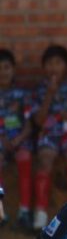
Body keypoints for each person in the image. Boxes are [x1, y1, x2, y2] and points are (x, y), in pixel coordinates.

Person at [30, 44, 67, 230]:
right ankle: (40, 212)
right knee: (45, 161)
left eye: (58, 63)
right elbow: (38, 120)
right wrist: (50, 93)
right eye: (49, 63)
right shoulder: (40, 89)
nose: (53, 67)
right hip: (49, 132)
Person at [0, 48, 32, 228]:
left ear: (13, 69)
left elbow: (29, 123)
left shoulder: (22, 94)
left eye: (6, 67)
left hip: (20, 138)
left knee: (24, 158)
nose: (3, 72)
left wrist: (19, 139)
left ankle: (24, 210)